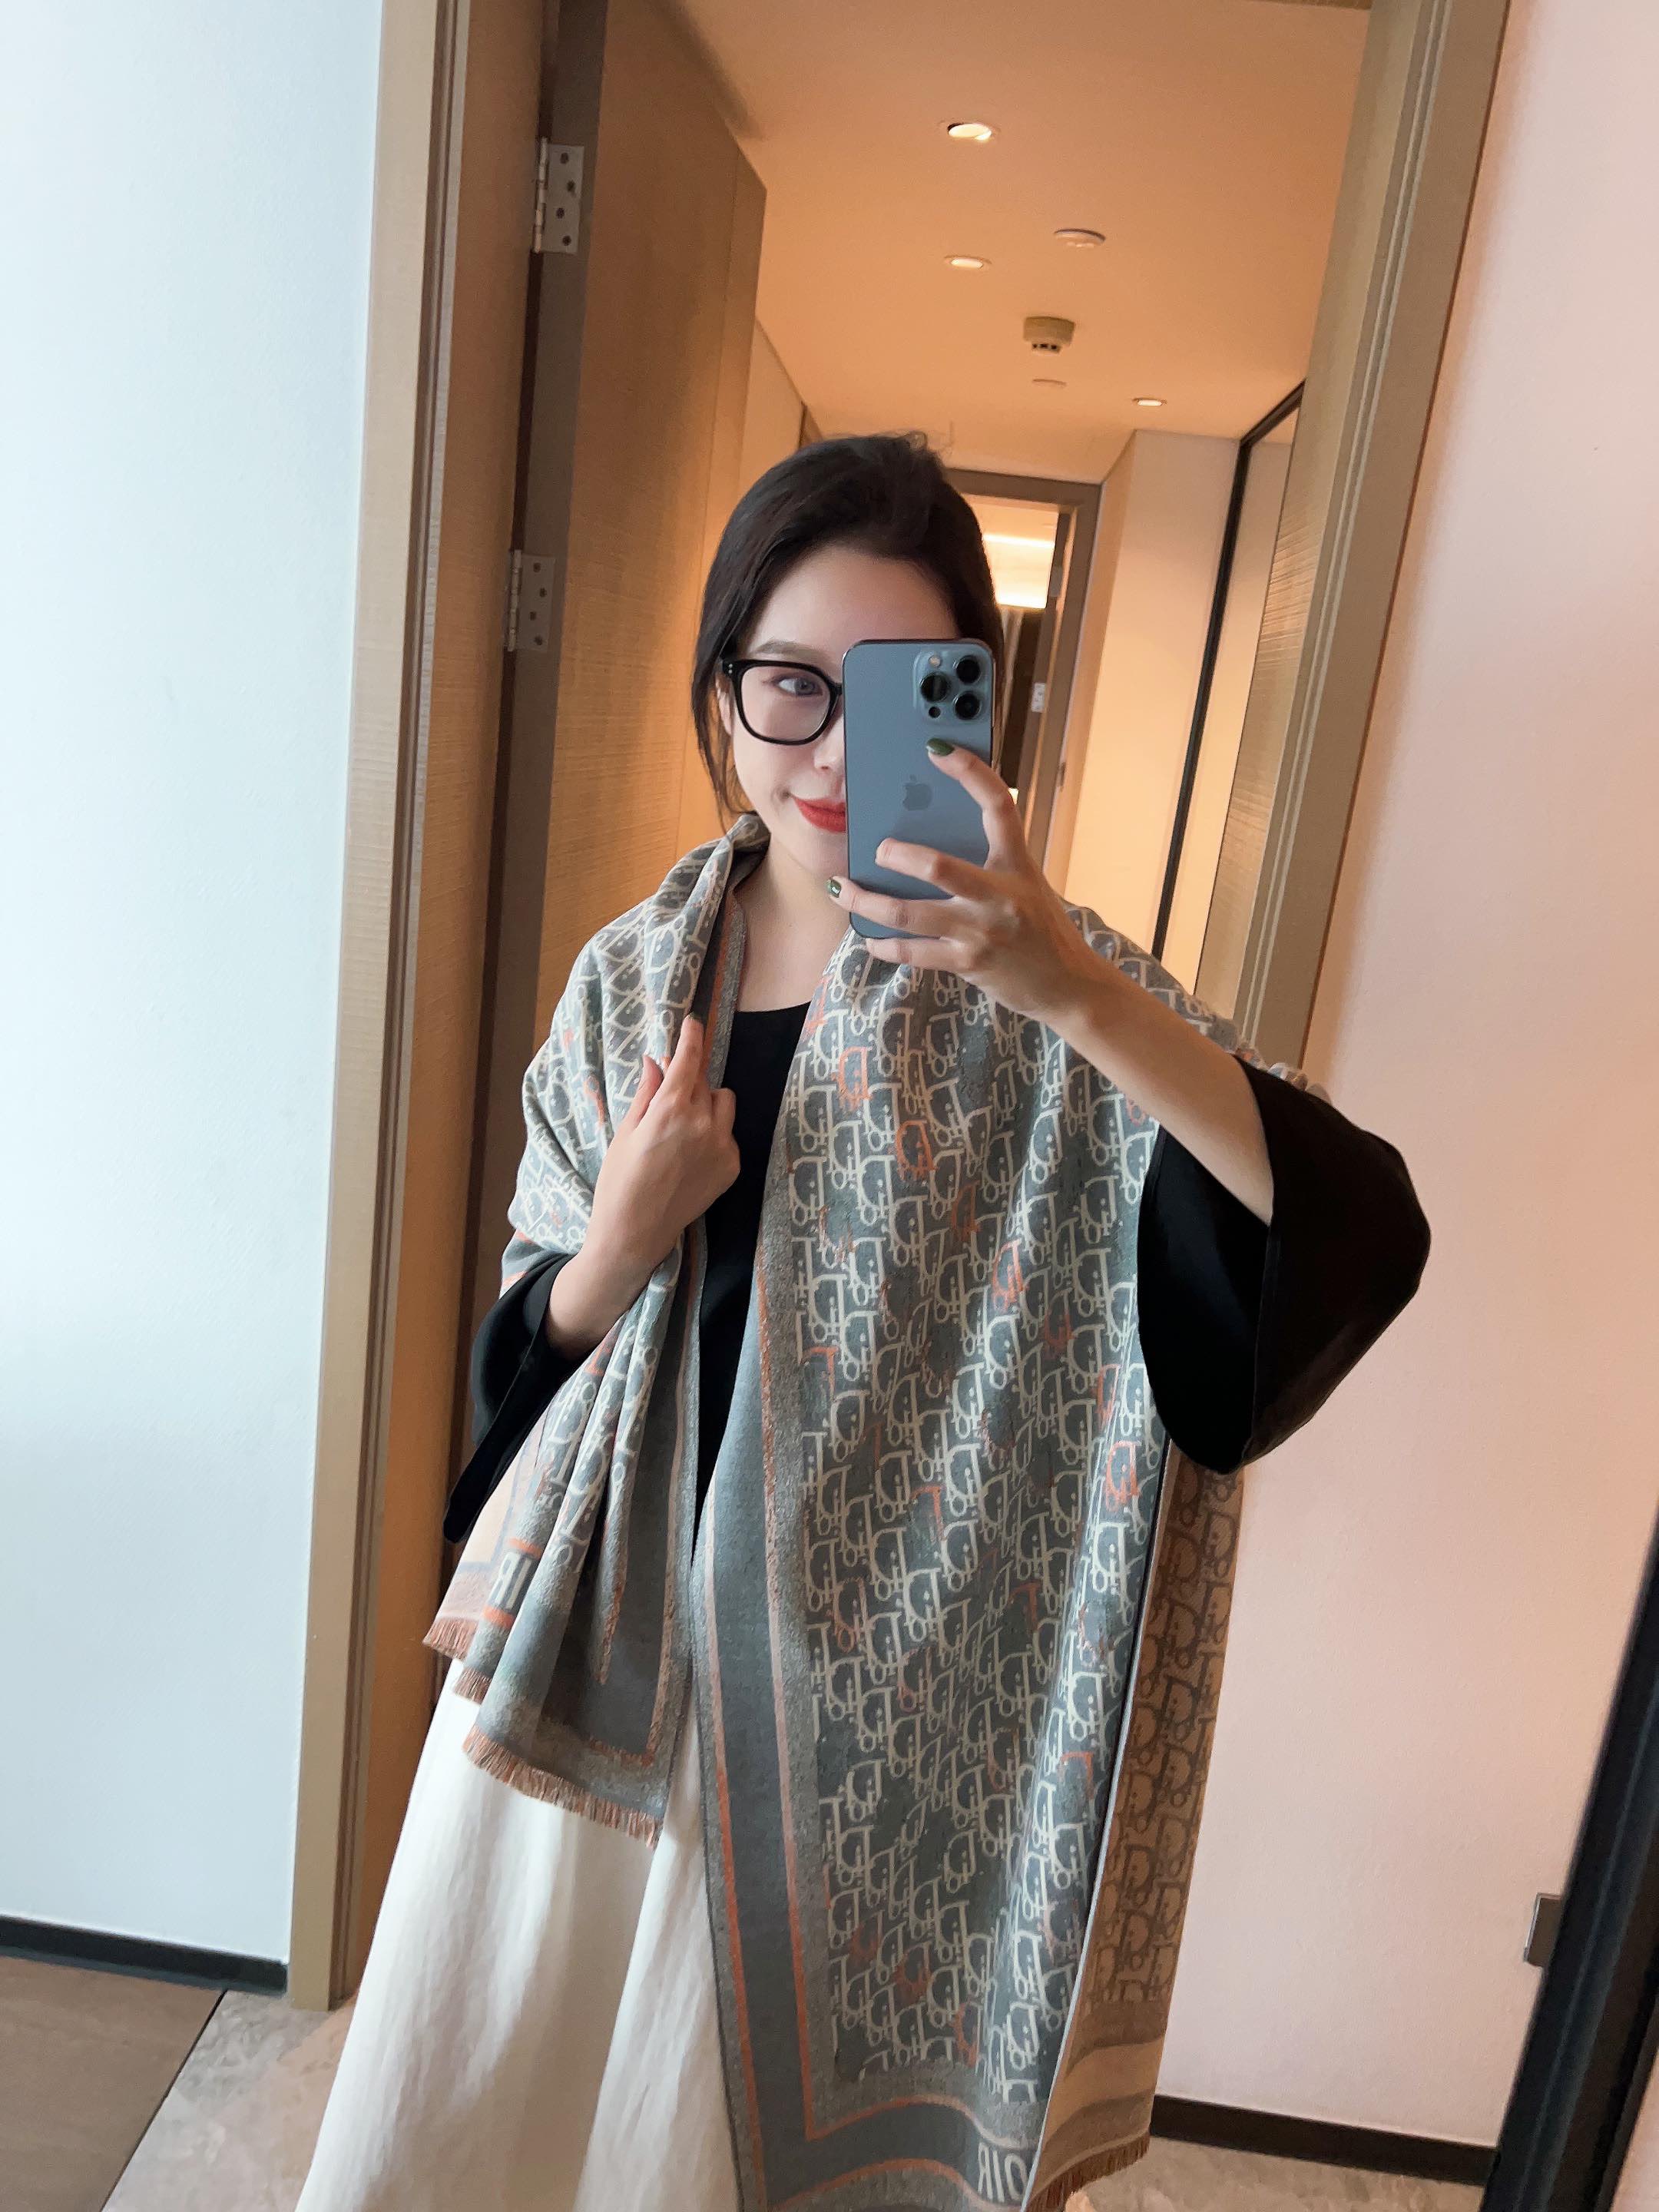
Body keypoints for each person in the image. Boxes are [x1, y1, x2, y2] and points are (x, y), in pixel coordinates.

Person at [296, 433, 1428, 2212]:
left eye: (897, 692)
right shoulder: (628, 983)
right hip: (585, 1697)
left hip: (857, 1746)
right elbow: (525, 1369)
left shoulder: (1043, 976)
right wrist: (621, 1236)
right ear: (721, 695)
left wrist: (1065, 985)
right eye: (790, 686)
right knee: (492, 2130)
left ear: (974, 711)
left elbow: (1348, 1233)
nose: (829, 752)